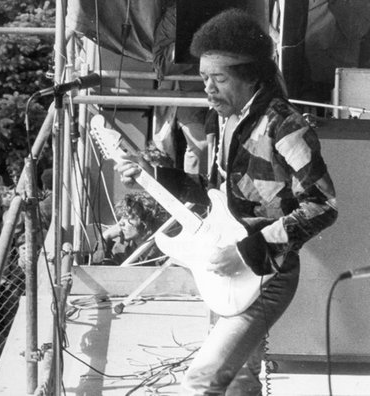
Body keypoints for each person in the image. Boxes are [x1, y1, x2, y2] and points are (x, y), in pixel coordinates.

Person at [116, 9, 338, 395]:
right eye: (204, 78)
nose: (209, 89)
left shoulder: (285, 126)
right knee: (239, 382)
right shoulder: (225, 120)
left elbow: (323, 205)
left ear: (251, 75)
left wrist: (247, 251)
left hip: (266, 271)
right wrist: (153, 177)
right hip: (226, 268)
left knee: (201, 382)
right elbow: (214, 193)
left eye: (219, 78)